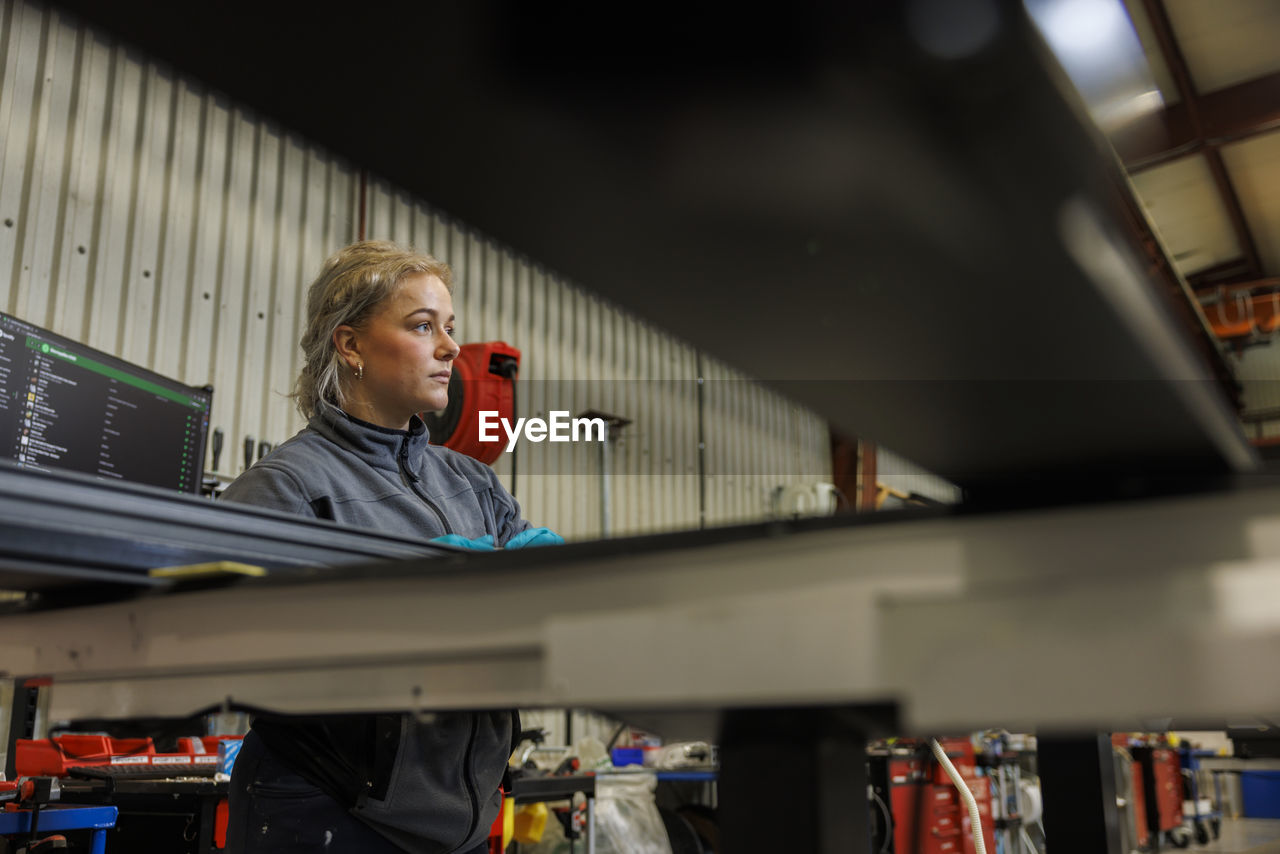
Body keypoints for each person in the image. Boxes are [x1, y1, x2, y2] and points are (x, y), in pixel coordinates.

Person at [219, 240, 560, 854]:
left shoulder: (472, 481)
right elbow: (222, 649)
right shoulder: (288, 486)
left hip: (462, 823)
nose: (451, 348)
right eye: (422, 325)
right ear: (350, 345)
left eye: (449, 327)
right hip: (329, 813)